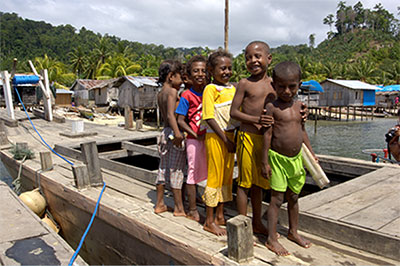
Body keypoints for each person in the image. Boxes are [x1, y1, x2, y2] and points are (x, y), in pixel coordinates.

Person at [261, 61, 315, 256]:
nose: (286, 91)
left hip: (296, 159)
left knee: (293, 197)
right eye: (281, 86)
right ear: (274, 85)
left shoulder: (300, 106)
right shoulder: (271, 107)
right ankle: (271, 238)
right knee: (276, 199)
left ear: (299, 85)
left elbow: (302, 132)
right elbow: (267, 135)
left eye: (292, 86)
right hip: (277, 159)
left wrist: (311, 154)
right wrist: (264, 161)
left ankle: (293, 232)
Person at [230, 41, 275, 236]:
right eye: (248, 57)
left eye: (257, 56)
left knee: (260, 184)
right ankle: (242, 227)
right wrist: (256, 119)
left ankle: (257, 222)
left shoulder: (275, 84)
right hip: (247, 137)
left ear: (269, 59)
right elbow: (233, 113)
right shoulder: (244, 84)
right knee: (244, 183)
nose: (253, 61)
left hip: (267, 141)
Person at [202, 49, 237, 236]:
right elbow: (208, 116)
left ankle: (220, 215)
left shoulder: (232, 89)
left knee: (226, 176)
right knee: (215, 176)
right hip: (217, 137)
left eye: (229, 68)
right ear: (211, 70)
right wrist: (225, 140)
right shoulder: (210, 89)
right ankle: (209, 220)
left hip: (231, 137)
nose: (226, 72)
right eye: (222, 68)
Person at [175, 55, 208, 221]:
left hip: (208, 139)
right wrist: (194, 134)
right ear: (189, 74)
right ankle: (193, 209)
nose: (200, 74)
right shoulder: (187, 95)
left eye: (203, 70)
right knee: (193, 174)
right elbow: (180, 120)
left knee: (209, 172)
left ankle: (208, 204)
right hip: (194, 140)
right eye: (196, 71)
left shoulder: (210, 92)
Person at [155, 60, 186, 217]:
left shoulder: (161, 93)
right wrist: (178, 134)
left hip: (164, 132)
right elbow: (169, 114)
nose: (182, 82)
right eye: (181, 77)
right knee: (176, 170)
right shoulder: (172, 92)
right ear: (171, 76)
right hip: (173, 134)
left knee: (163, 168)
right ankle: (179, 208)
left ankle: (160, 203)